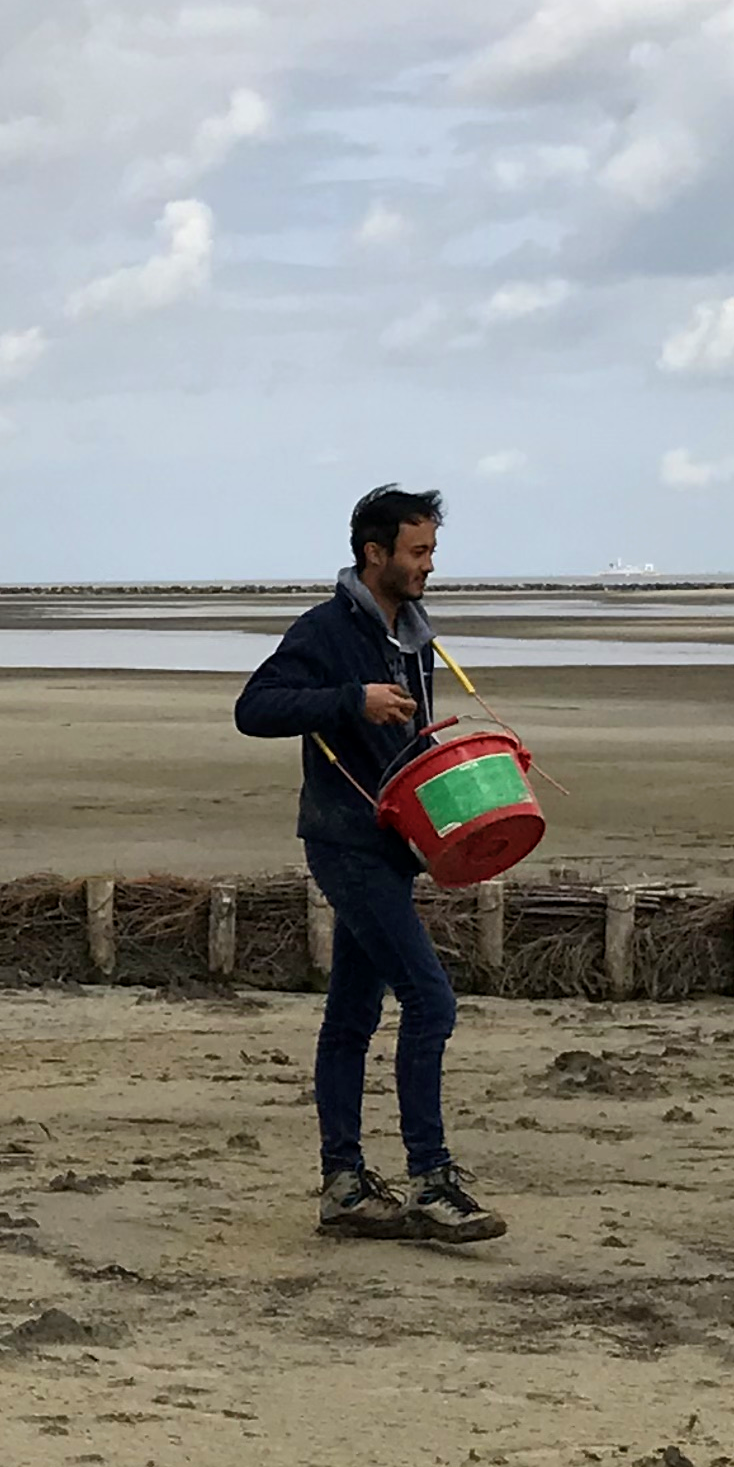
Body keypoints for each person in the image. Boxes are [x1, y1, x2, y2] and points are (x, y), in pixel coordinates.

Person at [234, 485, 510, 1246]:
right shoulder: (326, 631)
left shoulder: (413, 637)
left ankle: (345, 1187)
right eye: (417, 552)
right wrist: (351, 700)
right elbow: (253, 707)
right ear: (374, 554)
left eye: (431, 552)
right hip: (342, 840)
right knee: (432, 1001)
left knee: (352, 1016)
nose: (428, 566)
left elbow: (413, 745)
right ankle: (431, 1182)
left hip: (396, 843)